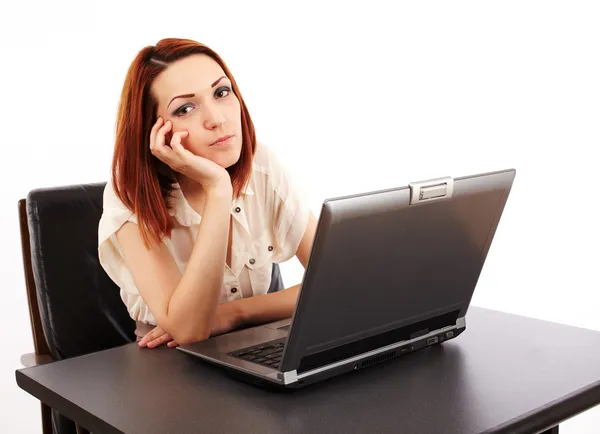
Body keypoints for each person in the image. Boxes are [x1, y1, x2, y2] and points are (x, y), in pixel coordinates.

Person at [98, 38, 317, 349]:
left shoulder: (263, 165)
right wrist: (218, 188)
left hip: (259, 345)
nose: (217, 119)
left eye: (221, 92)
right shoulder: (129, 198)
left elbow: (337, 283)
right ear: (154, 130)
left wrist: (235, 313)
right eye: (185, 108)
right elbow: (189, 331)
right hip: (169, 367)